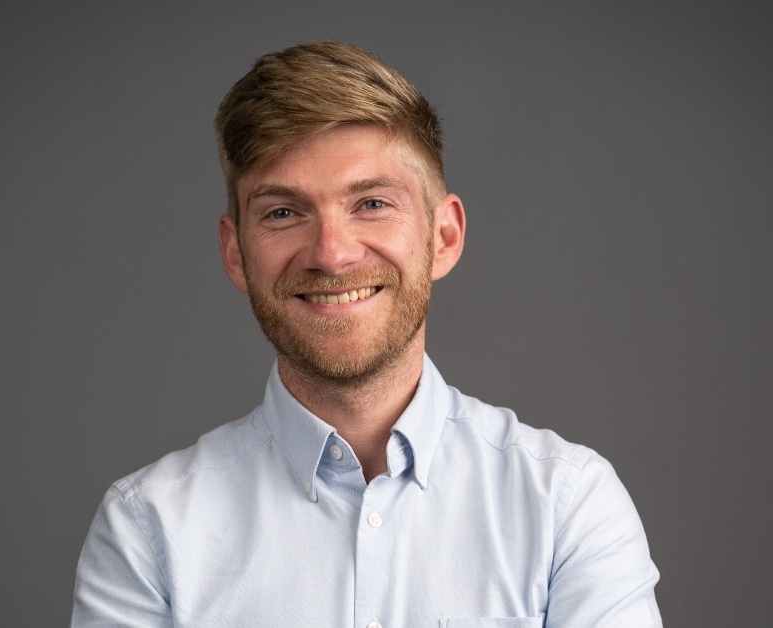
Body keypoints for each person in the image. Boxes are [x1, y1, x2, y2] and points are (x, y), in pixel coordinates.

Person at [71, 41, 663, 627]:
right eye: (283, 213)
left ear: (444, 237)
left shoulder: (566, 506)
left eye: (372, 203)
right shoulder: (147, 532)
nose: (331, 255)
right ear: (235, 253)